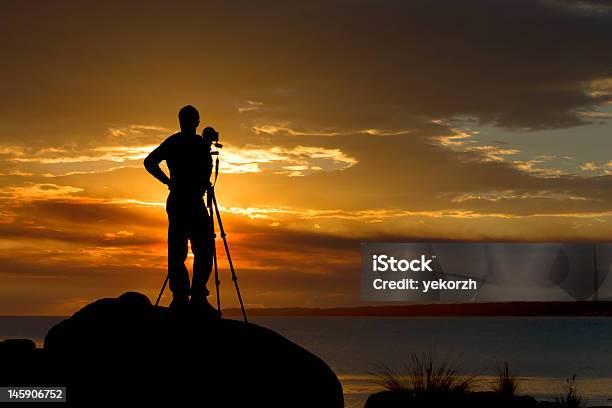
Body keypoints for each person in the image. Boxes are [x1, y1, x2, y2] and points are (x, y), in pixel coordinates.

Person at [144, 105, 217, 313]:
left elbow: (150, 162)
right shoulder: (188, 142)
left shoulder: (176, 142)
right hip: (189, 200)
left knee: (185, 250)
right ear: (196, 122)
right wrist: (167, 181)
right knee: (198, 249)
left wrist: (168, 181)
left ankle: (186, 297)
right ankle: (192, 297)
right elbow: (149, 162)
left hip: (181, 201)